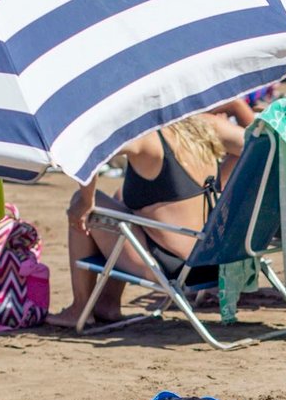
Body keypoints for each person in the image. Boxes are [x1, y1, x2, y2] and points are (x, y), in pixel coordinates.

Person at [48, 115, 239, 328]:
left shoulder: (146, 137)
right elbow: (258, 144)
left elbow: (91, 149)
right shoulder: (205, 127)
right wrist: (221, 184)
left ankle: (79, 308)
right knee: (121, 197)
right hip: (212, 261)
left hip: (172, 267)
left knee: (84, 205)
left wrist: (86, 199)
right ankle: (107, 303)